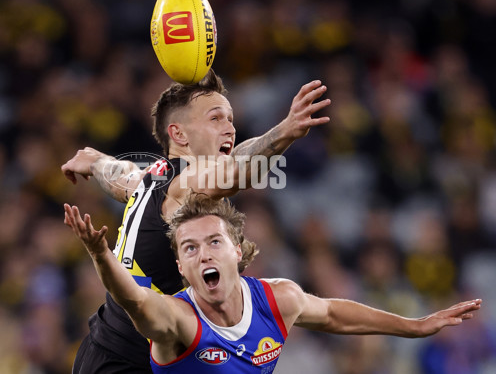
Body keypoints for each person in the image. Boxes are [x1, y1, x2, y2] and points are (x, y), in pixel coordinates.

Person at [62, 70, 331, 373]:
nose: (229, 127)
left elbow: (121, 176)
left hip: (108, 349)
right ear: (179, 134)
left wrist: (96, 161)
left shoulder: (154, 176)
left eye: (230, 118)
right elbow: (238, 171)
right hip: (130, 363)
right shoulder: (188, 180)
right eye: (216, 118)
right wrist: (286, 130)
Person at [63, 195, 482, 374]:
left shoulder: (277, 298)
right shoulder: (178, 321)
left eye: (214, 242)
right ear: (181, 268)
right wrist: (101, 256)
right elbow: (135, 301)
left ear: (239, 252)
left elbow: (334, 314)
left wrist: (414, 325)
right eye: (189, 249)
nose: (204, 254)